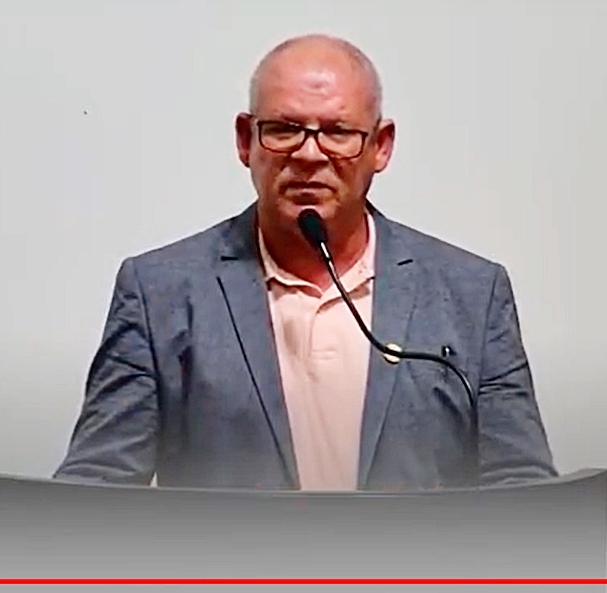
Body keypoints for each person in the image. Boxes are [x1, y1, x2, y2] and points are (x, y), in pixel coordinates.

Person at [54, 34, 557, 491]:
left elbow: (523, 490)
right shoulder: (158, 292)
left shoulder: (472, 294)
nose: (310, 154)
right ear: (245, 140)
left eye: (338, 132)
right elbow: (96, 490)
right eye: (284, 129)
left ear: (380, 147)